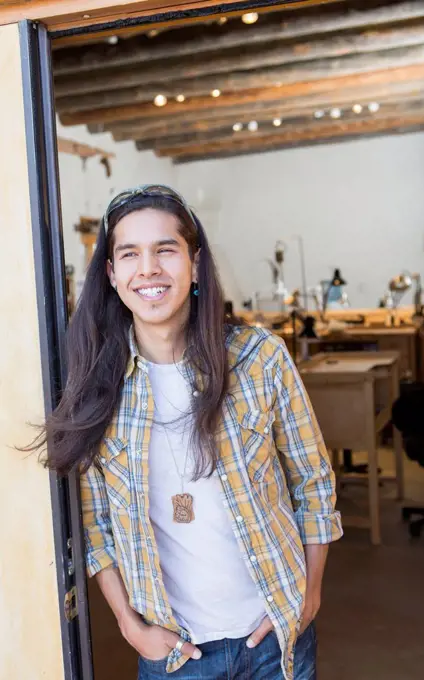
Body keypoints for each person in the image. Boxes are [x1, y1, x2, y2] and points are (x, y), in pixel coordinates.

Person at [42, 185, 342, 680]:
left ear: (195, 263)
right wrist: (128, 624)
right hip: (175, 654)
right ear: (113, 274)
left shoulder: (258, 358)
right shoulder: (96, 384)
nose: (149, 269)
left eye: (165, 250)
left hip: (276, 637)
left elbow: (313, 480)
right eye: (130, 254)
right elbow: (96, 527)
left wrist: (308, 595)